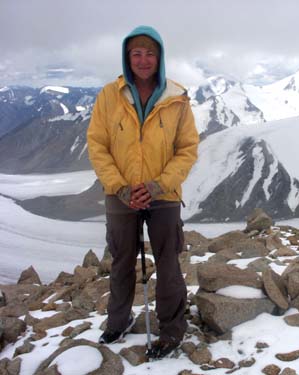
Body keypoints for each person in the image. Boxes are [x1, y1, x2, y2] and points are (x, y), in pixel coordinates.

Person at [87, 25, 199, 359]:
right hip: (120, 194)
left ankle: (172, 330)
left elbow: (187, 149)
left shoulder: (177, 99)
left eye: (150, 52)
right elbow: (98, 145)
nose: (143, 59)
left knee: (167, 263)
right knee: (121, 261)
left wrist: (157, 185)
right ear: (127, 57)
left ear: (160, 57)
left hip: (162, 195)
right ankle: (117, 321)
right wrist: (121, 188)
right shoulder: (109, 96)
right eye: (136, 52)